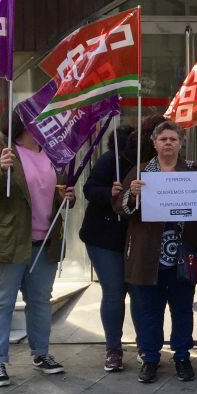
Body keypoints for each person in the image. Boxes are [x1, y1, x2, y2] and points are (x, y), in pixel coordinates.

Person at [117, 120, 197, 384]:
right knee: (150, 311)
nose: (168, 143)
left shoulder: (194, 171)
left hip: (182, 256)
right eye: (163, 139)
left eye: (173, 139)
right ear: (154, 143)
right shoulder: (140, 173)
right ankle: (150, 359)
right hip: (149, 256)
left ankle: (182, 356)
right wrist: (132, 193)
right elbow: (120, 209)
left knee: (183, 309)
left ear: (180, 143)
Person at [0, 114, 73, 387]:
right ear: (26, 123)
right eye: (42, 120)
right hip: (6, 242)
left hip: (44, 243)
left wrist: (65, 196)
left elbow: (53, 194)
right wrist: (1, 170)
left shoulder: (51, 155)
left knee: (41, 302)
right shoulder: (3, 151)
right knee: (0, 303)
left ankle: (41, 354)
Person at [81, 120, 143, 372]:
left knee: (139, 292)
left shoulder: (148, 165)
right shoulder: (109, 161)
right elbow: (89, 189)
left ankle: (145, 345)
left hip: (132, 238)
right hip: (104, 238)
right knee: (115, 291)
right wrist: (110, 192)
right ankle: (113, 349)